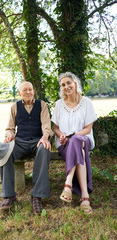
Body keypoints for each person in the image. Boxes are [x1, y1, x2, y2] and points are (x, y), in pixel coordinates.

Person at [0, 81, 53, 214]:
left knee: (45, 149)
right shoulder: (14, 107)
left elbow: (47, 126)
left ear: (33, 91)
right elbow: (9, 128)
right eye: (25, 90)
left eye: (30, 89)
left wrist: (45, 137)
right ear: (19, 93)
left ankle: (37, 196)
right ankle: (9, 196)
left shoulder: (42, 105)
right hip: (20, 142)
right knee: (6, 152)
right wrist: (9, 135)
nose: (28, 92)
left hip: (37, 141)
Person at [51, 72, 97, 214]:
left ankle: (68, 183)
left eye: (69, 83)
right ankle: (84, 196)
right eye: (63, 85)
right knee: (79, 151)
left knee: (77, 140)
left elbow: (88, 129)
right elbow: (56, 128)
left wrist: (73, 136)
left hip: (84, 139)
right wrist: (62, 136)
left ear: (75, 83)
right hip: (64, 144)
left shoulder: (86, 102)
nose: (66, 86)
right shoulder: (59, 104)